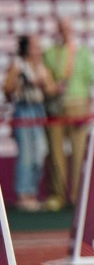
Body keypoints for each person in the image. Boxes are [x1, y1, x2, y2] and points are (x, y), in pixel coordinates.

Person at [40, 17, 92, 210]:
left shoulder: (82, 52)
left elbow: (89, 78)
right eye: (62, 28)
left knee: (79, 150)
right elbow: (51, 77)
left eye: (68, 28)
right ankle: (58, 195)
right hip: (55, 106)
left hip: (77, 102)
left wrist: (87, 104)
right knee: (56, 150)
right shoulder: (50, 52)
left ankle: (78, 195)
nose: (65, 32)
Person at [5, 35, 51, 209]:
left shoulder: (40, 66)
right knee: (26, 153)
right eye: (34, 47)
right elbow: (7, 88)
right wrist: (22, 82)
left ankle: (32, 191)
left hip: (38, 110)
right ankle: (23, 194)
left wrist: (47, 84)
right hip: (23, 109)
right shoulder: (18, 64)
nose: (38, 50)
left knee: (40, 151)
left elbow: (50, 88)